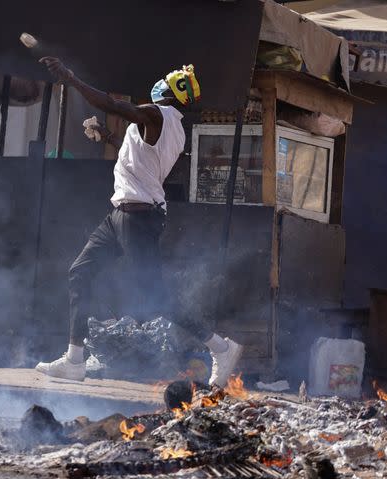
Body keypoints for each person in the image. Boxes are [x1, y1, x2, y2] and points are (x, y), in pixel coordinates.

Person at [35, 57, 243, 386]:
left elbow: (112, 103)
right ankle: (74, 361)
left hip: (138, 218)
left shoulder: (156, 113)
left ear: (172, 92)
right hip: (122, 214)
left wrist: (71, 79)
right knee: (80, 272)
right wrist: (107, 137)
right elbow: (140, 160)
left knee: (155, 298)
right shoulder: (173, 129)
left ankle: (221, 347)